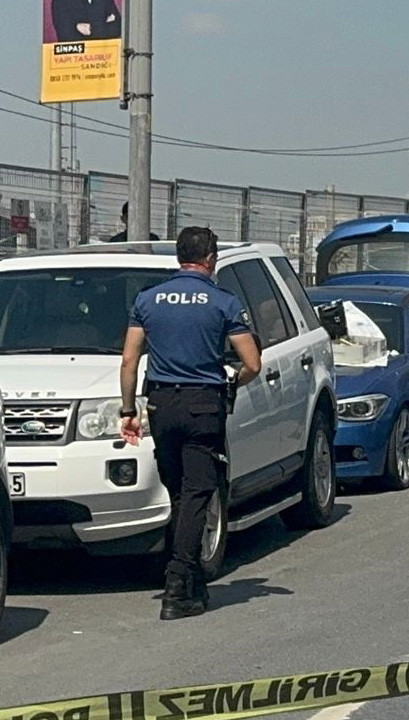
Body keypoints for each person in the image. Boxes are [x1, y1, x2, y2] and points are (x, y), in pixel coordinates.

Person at [119, 227, 261, 620]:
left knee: (180, 493)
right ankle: (177, 584)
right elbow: (252, 363)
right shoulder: (223, 302)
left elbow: (129, 360)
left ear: (179, 256)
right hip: (203, 405)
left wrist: (128, 410)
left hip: (161, 405)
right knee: (199, 492)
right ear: (211, 258)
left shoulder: (148, 299)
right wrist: (233, 382)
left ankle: (193, 578)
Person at [50, 0, 122, 42]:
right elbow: (66, 37)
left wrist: (91, 29)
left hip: (105, 57)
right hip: (75, 60)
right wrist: (103, 24)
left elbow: (117, 28)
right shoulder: (60, 1)